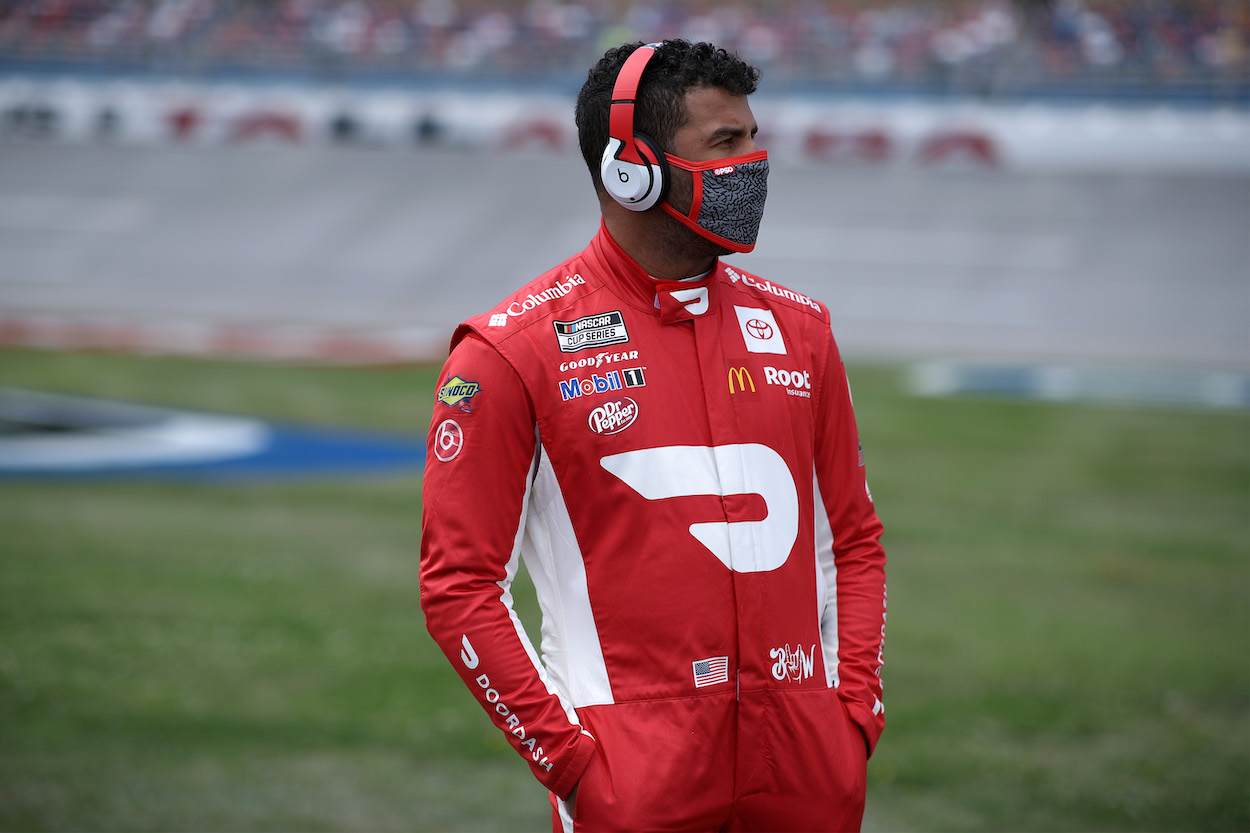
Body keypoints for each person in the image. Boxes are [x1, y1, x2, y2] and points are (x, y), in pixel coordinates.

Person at [419, 39, 887, 832]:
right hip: (635, 783)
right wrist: (570, 763)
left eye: (754, 138)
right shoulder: (509, 352)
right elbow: (459, 587)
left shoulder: (803, 331)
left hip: (808, 773)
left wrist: (853, 719)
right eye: (726, 144)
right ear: (629, 171)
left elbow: (855, 540)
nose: (755, 165)